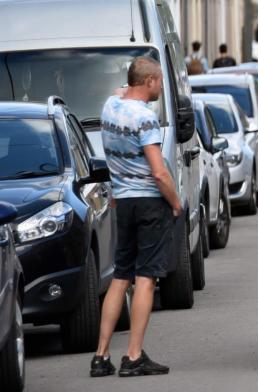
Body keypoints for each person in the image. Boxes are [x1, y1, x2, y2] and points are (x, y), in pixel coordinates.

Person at [91, 57, 180, 377]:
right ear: (150, 82)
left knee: (120, 277)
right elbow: (159, 172)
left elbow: (120, 88)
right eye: (158, 82)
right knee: (146, 278)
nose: (160, 87)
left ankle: (101, 356)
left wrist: (129, 83)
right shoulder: (145, 118)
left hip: (122, 203)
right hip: (148, 203)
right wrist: (175, 201)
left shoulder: (110, 106)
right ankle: (133, 355)